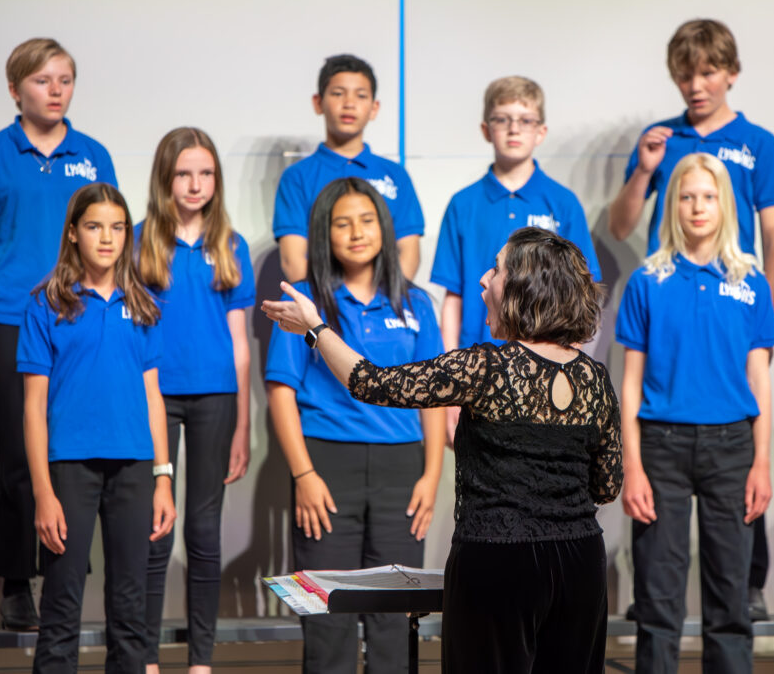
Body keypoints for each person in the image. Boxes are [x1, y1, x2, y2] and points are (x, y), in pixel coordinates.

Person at [264, 226, 622, 673]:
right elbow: (606, 487)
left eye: (495, 269)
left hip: (499, 565)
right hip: (580, 565)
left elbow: (372, 382)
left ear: (523, 288)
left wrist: (315, 328)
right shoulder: (595, 378)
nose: (482, 280)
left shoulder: (484, 366)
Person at [608, 18, 774, 621]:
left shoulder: (758, 142)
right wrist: (642, 169)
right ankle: (654, 596)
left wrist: (763, 323)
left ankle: (746, 585)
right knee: (667, 481)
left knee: (739, 459)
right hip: (675, 322)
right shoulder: (663, 139)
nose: (696, 84)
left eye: (708, 72)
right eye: (686, 74)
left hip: (736, 320)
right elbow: (621, 227)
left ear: (730, 73)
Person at [0, 37, 118, 630]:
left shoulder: (93, 155)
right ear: (15, 89)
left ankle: (64, 571)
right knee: (17, 454)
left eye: (66, 80)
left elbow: (111, 234)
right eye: (43, 80)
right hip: (8, 316)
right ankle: (16, 580)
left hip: (76, 315)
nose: (56, 91)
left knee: (70, 451)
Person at [265, 177, 445, 673]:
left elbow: (432, 396)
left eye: (366, 221)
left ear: (385, 229)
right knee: (326, 611)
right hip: (326, 466)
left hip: (401, 471)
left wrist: (432, 476)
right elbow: (280, 392)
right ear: (325, 234)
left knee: (395, 614)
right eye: (342, 223)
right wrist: (304, 475)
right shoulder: (304, 302)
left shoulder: (416, 303)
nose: (356, 232)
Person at [616, 153, 774, 672]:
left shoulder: (750, 283)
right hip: (660, 449)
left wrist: (761, 462)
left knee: (730, 598)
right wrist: (632, 467)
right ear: (673, 205)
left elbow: (759, 379)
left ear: (725, 203)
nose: (698, 206)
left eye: (708, 196)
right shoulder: (646, 282)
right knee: (658, 599)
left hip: (732, 448)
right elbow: (632, 382)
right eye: (687, 196)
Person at [18, 183, 175, 673]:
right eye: (93, 226)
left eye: (117, 227)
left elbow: (153, 397)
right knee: (61, 606)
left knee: (130, 611)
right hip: (69, 469)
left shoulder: (143, 304)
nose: (107, 238)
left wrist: (164, 476)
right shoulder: (46, 303)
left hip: (133, 467)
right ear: (72, 233)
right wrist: (43, 492)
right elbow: (33, 406)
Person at [135, 128, 255, 674]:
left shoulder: (231, 245)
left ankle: (200, 661)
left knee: (203, 533)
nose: (195, 184)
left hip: (215, 398)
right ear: (165, 177)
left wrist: (243, 425)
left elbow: (240, 344)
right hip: (155, 395)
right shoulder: (139, 241)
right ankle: (146, 657)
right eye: (184, 173)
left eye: (205, 173)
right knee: (155, 531)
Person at [430, 75, 602, 441]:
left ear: (541, 131)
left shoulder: (563, 203)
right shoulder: (463, 204)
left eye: (525, 120)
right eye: (502, 119)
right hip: (478, 373)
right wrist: (448, 392)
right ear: (485, 128)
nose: (513, 129)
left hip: (546, 372)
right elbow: (453, 300)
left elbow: (582, 294)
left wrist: (566, 369)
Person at [273, 54, 424, 282]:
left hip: (380, 310)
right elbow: (293, 261)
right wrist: (334, 309)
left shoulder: (395, 175)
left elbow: (408, 253)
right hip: (320, 310)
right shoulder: (297, 177)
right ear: (318, 102)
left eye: (361, 95)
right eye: (337, 93)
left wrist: (377, 306)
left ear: (374, 108)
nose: (349, 104)